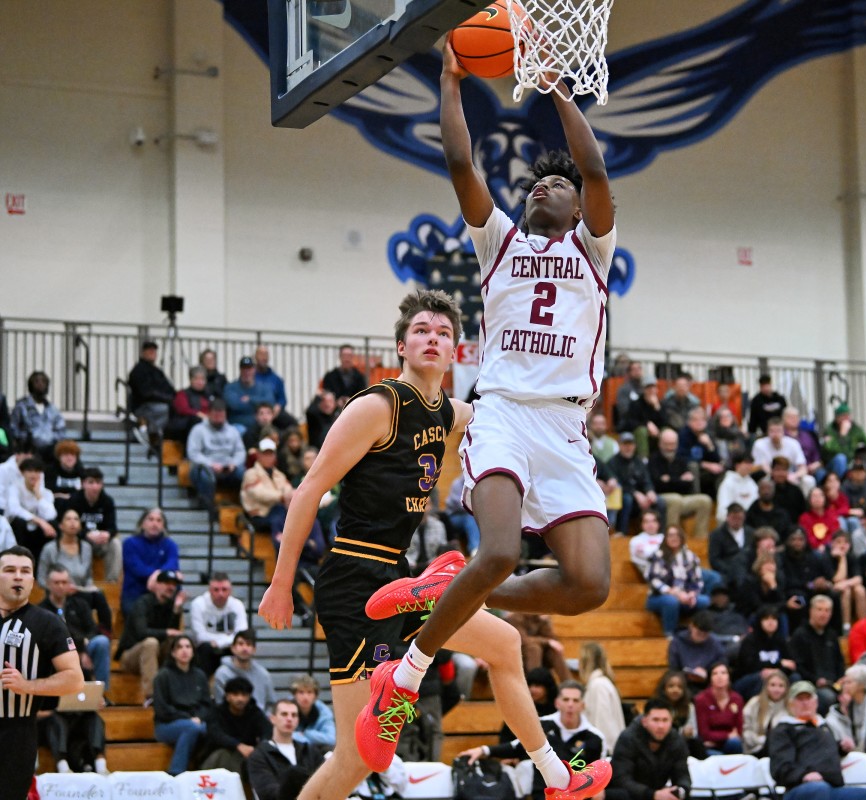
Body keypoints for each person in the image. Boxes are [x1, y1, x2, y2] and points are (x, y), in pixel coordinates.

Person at [363, 55, 621, 792]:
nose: (549, 186)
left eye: (560, 185)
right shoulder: (500, 242)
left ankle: (445, 586)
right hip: (505, 413)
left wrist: (564, 93)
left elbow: (597, 173)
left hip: (566, 431)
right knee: (503, 549)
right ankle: (406, 675)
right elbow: (458, 158)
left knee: (588, 585)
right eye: (540, 181)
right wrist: (449, 86)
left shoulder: (592, 250)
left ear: (577, 210)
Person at [258, 289, 608, 799]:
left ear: (453, 354)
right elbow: (310, 488)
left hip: (403, 580)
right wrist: (282, 581)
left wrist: (567, 398)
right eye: (421, 330)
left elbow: (508, 415)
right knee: (356, 759)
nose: (432, 338)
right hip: (354, 578)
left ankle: (557, 778)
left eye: (443, 334)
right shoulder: (378, 406)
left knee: (506, 645)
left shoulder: (447, 411)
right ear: (401, 345)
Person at [0, 546, 85, 800]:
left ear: (33, 580)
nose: (18, 576)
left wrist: (27, 686)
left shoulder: (47, 623)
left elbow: (74, 679)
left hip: (16, 732)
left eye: (25, 571)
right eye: (10, 570)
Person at [459, 680, 607, 794]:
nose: (570, 705)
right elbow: (516, 746)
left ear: (582, 705)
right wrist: (483, 750)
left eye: (575, 701)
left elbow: (600, 773)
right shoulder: (542, 725)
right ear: (557, 703)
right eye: (566, 699)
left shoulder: (595, 737)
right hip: (542, 794)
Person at [768, 680, 866, 800]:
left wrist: (841, 748)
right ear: (791, 704)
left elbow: (818, 751)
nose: (805, 703)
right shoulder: (783, 730)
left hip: (832, 788)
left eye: (808, 698)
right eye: (800, 699)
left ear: (815, 702)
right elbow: (780, 766)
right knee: (818, 790)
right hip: (801, 789)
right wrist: (803, 775)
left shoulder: (823, 726)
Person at [38, 564, 111, 689]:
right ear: (48, 584)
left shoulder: (80, 604)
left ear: (69, 584)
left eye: (64, 582)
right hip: (58, 653)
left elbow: (92, 629)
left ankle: (101, 693)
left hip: (83, 646)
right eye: (56, 582)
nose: (61, 586)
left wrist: (83, 649)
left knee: (102, 642)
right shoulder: (41, 610)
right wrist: (75, 653)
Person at [117, 569, 185, 702]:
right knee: (151, 642)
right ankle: (152, 696)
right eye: (167, 583)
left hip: (156, 654)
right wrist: (166, 632)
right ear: (157, 585)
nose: (171, 587)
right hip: (130, 655)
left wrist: (177, 610)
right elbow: (141, 632)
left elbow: (174, 632)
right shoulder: (142, 603)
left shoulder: (172, 605)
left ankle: (179, 691)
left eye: (174, 584)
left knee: (178, 643)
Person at [608, 699, 693, 800]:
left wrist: (680, 791)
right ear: (644, 721)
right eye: (656, 720)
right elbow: (620, 779)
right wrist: (653, 795)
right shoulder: (628, 738)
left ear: (671, 721)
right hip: (628, 795)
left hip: (656, 793)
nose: (661, 726)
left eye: (665, 720)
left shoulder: (676, 741)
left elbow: (683, 775)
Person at [152, 632, 211, 775]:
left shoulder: (200, 675)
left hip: (197, 722)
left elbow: (207, 705)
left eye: (188, 646)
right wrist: (187, 718)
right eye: (179, 647)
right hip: (166, 725)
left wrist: (199, 718)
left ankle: (206, 774)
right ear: (173, 652)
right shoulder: (163, 676)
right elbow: (162, 710)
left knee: (211, 730)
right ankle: (176, 773)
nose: (184, 650)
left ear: (193, 651)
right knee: (191, 728)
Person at [248, 698, 325, 800]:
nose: (289, 719)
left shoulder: (309, 750)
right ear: (272, 719)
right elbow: (267, 793)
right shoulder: (259, 755)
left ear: (298, 720)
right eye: (284, 714)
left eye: (294, 715)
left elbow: (326, 783)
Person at [645, 524, 710, 635]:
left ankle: (696, 634)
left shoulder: (691, 556)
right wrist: (674, 593)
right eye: (670, 535)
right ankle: (670, 634)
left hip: (685, 596)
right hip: (659, 597)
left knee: (705, 601)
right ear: (665, 538)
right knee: (671, 601)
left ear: (682, 537)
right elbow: (653, 580)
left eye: (677, 535)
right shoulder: (658, 556)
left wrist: (692, 594)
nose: (673, 538)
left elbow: (697, 581)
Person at [201, 675, 272, 774]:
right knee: (226, 755)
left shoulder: (255, 712)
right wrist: (237, 745)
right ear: (227, 696)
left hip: (247, 755)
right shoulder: (216, 712)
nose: (240, 699)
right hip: (217, 755)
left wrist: (259, 748)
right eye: (235, 694)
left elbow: (267, 731)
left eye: (244, 695)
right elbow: (216, 734)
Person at [789, 594, 844, 713]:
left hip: (835, 683)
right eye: (819, 609)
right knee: (828, 698)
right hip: (811, 685)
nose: (823, 614)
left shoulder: (832, 635)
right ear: (811, 611)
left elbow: (839, 661)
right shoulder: (800, 635)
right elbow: (797, 666)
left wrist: (841, 678)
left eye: (827, 610)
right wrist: (815, 680)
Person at [65, 468, 121, 583]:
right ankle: (83, 581)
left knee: (115, 543)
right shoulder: (74, 500)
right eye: (91, 482)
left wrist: (107, 534)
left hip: (101, 541)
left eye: (98, 483)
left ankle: (112, 582)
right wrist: (86, 534)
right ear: (83, 484)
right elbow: (68, 526)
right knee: (83, 544)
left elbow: (113, 527)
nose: (95, 486)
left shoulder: (107, 501)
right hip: (81, 540)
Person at [120, 507, 180, 614]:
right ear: (142, 524)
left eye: (159, 520)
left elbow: (172, 564)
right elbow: (138, 569)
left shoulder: (170, 545)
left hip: (162, 594)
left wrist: (156, 575)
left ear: (163, 526)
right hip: (136, 593)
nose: (154, 524)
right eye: (150, 519)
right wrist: (159, 575)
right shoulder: (129, 543)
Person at [190, 572, 249, 676]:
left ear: (230, 591)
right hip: (206, 650)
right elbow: (200, 636)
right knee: (205, 648)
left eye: (224, 589)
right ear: (209, 590)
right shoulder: (198, 604)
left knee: (242, 647)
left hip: (229, 649)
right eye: (216, 590)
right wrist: (229, 639)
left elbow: (242, 634)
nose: (220, 594)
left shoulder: (237, 605)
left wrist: (219, 642)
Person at [6, 456, 57, 561]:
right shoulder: (14, 488)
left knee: (53, 524)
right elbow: (14, 510)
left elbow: (51, 515)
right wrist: (39, 521)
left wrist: (38, 494)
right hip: (19, 531)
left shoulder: (46, 493)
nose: (33, 474)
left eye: (37, 471)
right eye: (30, 471)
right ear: (23, 473)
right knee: (19, 522)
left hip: (38, 533)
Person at [577, 641, 624, 754]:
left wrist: (602, 752)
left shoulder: (598, 685)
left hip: (604, 752)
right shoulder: (600, 683)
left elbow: (603, 722)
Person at [214, 629, 277, 711]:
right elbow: (220, 704)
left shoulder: (263, 674)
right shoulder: (222, 674)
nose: (244, 648)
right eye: (240, 644)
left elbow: (271, 704)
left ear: (254, 650)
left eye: (248, 644)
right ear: (233, 648)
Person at [11, 371, 67, 461]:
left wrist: (51, 438)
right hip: (28, 449)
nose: (40, 384)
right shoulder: (21, 407)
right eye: (36, 381)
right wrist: (26, 437)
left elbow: (61, 430)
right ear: (30, 385)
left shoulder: (53, 409)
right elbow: (13, 428)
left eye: (43, 381)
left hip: (49, 451)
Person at [128, 340, 176, 442]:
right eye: (149, 351)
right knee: (164, 409)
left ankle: (157, 434)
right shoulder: (138, 371)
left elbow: (169, 389)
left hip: (157, 403)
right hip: (143, 406)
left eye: (154, 351)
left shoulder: (157, 371)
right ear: (143, 352)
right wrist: (166, 398)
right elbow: (145, 393)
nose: (152, 353)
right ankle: (152, 434)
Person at [667, 611, 727, 691]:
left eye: (705, 635)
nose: (701, 637)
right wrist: (687, 676)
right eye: (698, 633)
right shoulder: (678, 642)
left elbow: (722, 661)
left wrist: (708, 672)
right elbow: (674, 669)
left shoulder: (714, 643)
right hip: (684, 685)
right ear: (691, 626)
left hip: (708, 685)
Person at [692, 662, 743, 755]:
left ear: (729, 677)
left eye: (723, 673)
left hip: (729, 743)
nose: (719, 676)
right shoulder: (701, 699)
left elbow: (738, 730)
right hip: (708, 746)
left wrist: (718, 738)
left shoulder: (737, 699)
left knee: (735, 743)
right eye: (715, 673)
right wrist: (727, 735)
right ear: (710, 678)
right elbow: (704, 733)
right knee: (716, 755)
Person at [506, 612, 571, 682]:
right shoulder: (515, 618)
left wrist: (545, 622)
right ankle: (536, 682)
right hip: (517, 652)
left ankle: (569, 684)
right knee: (534, 648)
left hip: (539, 655)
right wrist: (547, 642)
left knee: (554, 650)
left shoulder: (539, 618)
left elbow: (551, 638)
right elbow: (523, 639)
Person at [742, 668, 789, 757]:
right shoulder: (754, 703)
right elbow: (746, 730)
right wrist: (761, 741)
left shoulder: (790, 707)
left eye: (781, 686)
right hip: (754, 750)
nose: (776, 689)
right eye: (773, 685)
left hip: (781, 753)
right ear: (766, 686)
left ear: (786, 688)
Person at [289, 674, 335, 751]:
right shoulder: (285, 708)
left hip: (316, 752)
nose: (305, 697)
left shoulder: (324, 712)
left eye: (309, 692)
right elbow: (279, 735)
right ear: (294, 695)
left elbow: (331, 739)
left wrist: (306, 733)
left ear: (315, 696)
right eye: (301, 692)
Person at [322, 345, 368, 409]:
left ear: (353, 357)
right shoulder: (330, 376)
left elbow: (363, 396)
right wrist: (336, 402)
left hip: (354, 410)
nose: (347, 359)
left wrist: (350, 401)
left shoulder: (360, 377)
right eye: (344, 356)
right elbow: (325, 395)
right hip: (333, 412)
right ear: (340, 357)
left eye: (349, 356)